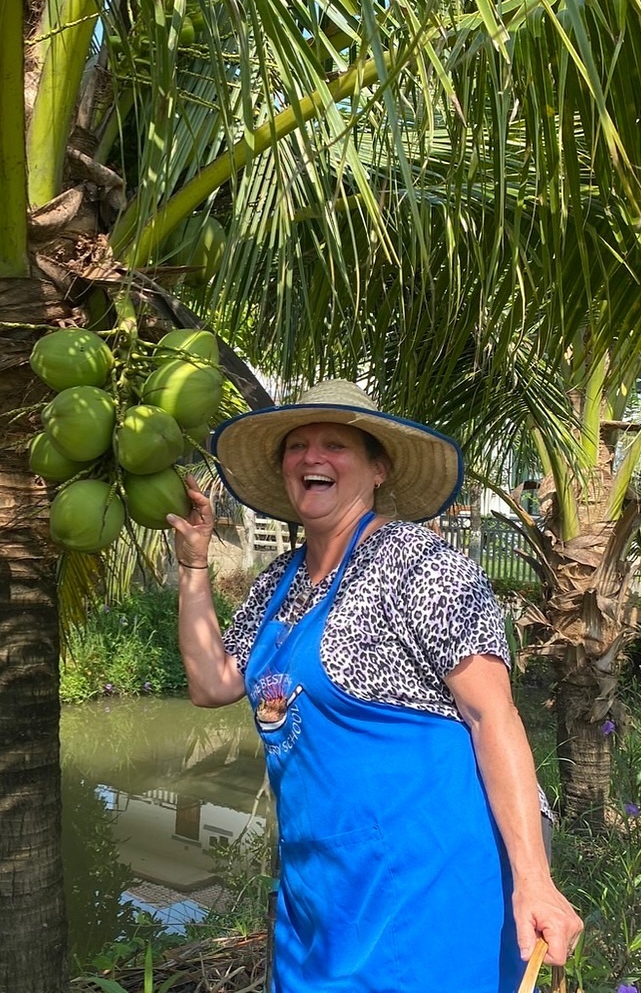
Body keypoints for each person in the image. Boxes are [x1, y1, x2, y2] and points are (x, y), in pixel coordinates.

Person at [167, 379, 582, 992]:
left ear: (378, 467)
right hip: (320, 895)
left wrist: (535, 878)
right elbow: (212, 682)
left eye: (335, 444)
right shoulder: (277, 582)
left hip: (426, 887)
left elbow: (492, 717)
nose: (312, 458)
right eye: (297, 445)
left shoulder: (422, 564)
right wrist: (195, 565)